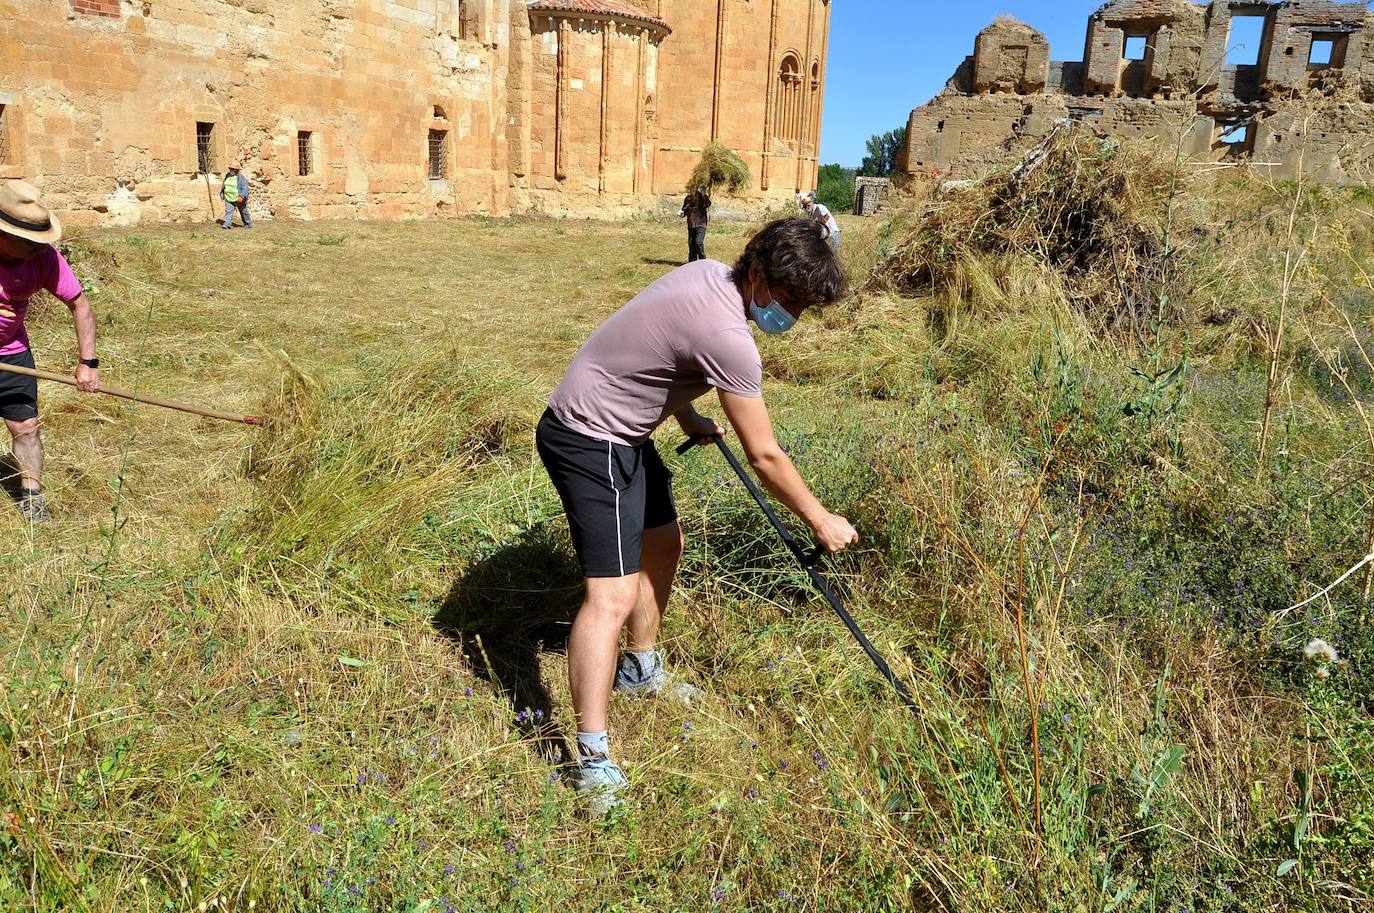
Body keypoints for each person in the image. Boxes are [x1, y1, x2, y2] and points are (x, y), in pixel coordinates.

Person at [536, 217, 858, 813]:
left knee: (664, 543)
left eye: (803, 306)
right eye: (788, 298)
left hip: (624, 432)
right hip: (588, 437)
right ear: (757, 273)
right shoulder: (729, 337)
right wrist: (820, 518)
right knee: (610, 596)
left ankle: (640, 669)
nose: (792, 314)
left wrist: (686, 415)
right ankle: (592, 758)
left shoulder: (709, 274)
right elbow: (765, 454)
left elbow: (659, 350)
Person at [0, 181, 101, 524]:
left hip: (12, 355)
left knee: (26, 426)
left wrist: (88, 363)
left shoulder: (43, 258)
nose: (37, 247)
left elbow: (80, 305)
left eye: (38, 240)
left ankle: (31, 495)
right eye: (27, 240)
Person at [678, 188, 711, 262]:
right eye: (691, 189)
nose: (692, 191)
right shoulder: (688, 198)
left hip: (701, 224)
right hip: (691, 225)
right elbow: (685, 210)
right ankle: (692, 263)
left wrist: (704, 195)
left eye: (693, 189)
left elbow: (707, 204)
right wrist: (682, 213)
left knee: (698, 242)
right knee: (691, 245)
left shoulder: (702, 198)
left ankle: (703, 260)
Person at [221, 162, 252, 230]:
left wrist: (242, 196)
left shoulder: (241, 178)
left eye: (233, 169)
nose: (231, 170)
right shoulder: (227, 176)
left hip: (238, 198)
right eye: (231, 168)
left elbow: (245, 187)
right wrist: (223, 194)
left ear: (237, 170)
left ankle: (248, 224)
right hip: (228, 197)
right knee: (228, 211)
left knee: (243, 212)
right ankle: (226, 224)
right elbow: (224, 185)